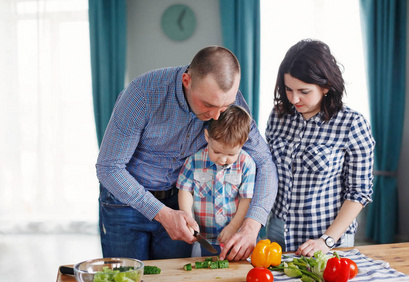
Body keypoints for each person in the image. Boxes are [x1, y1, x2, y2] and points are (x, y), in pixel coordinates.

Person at [96, 46, 277, 261]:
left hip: (179, 204)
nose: (217, 116)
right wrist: (162, 214)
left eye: (225, 106)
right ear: (186, 81)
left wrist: (252, 225)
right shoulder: (142, 94)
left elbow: (264, 162)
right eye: (208, 105)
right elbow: (109, 168)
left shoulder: (226, 100)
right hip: (125, 204)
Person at [265, 39, 375, 257]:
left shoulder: (352, 124)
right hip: (278, 231)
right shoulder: (278, 116)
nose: (294, 98)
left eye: (304, 91)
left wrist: (327, 240)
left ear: (325, 87)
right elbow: (266, 172)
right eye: (288, 89)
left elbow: (358, 193)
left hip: (326, 236)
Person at [177, 105, 255, 256]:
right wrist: (188, 217)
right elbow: (185, 190)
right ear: (207, 137)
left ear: (243, 142)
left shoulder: (246, 163)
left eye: (231, 154)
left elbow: (247, 200)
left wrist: (233, 227)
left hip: (237, 236)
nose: (223, 159)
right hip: (207, 238)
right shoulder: (194, 161)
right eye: (217, 151)